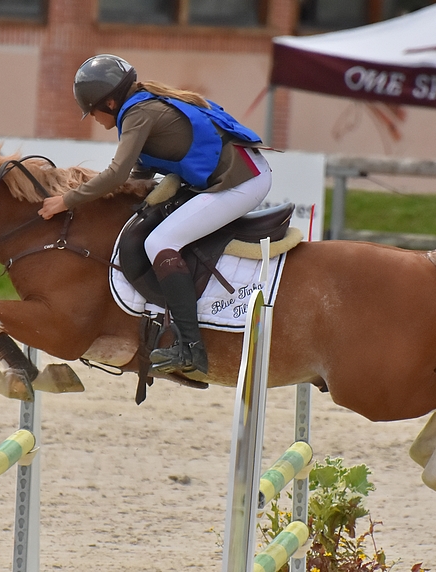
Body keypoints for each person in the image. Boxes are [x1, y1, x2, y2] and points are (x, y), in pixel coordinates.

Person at [38, 54, 272, 380]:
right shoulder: (141, 106)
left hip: (243, 181)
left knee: (161, 240)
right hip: (234, 174)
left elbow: (117, 174)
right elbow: (139, 175)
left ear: (109, 101)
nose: (91, 116)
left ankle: (192, 348)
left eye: (91, 109)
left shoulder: (137, 114)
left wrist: (67, 200)